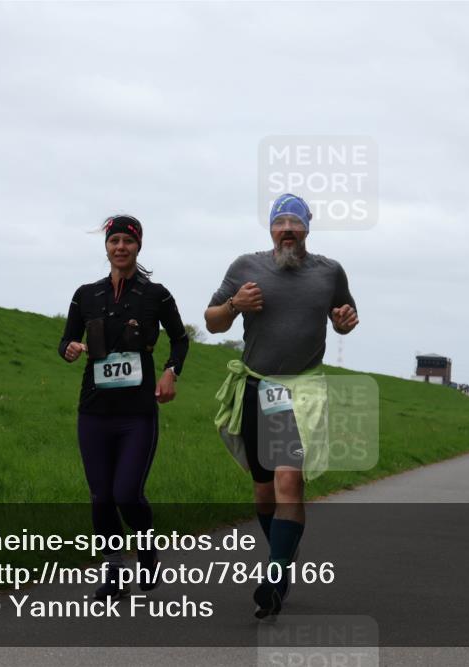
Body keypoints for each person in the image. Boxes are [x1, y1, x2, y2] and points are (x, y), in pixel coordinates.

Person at [205, 193, 358, 619]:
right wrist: (235, 305)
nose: (288, 228)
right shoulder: (245, 268)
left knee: (289, 480)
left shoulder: (330, 272)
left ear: (308, 228)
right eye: (280, 221)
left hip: (303, 389)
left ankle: (273, 577)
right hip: (257, 387)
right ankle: (282, 563)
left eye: (296, 221)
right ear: (270, 229)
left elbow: (345, 314)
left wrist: (344, 321)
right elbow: (211, 320)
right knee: (263, 488)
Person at [58, 214, 189, 599]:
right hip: (94, 410)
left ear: (138, 246)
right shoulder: (85, 294)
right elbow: (65, 340)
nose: (120, 247)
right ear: (106, 247)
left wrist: (170, 372)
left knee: (127, 494)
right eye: (114, 241)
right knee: (101, 497)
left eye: (127, 241)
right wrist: (70, 349)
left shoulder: (156, 295)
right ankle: (113, 572)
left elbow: (180, 340)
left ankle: (146, 550)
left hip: (137, 413)